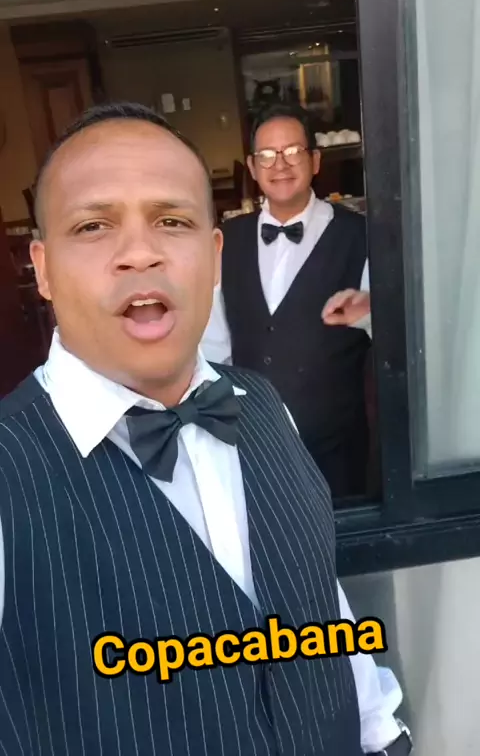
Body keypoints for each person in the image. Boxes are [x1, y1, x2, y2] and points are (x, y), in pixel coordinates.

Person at [0, 103, 411, 756]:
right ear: (43, 268)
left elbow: (319, 602)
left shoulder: (263, 407)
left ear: (214, 255)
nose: (140, 252)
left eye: (172, 221)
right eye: (93, 225)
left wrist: (382, 734)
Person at [202, 103, 372, 500]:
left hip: (336, 447)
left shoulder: (359, 235)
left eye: (293, 151)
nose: (280, 164)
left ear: (315, 161)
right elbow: (214, 341)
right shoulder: (225, 240)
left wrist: (370, 312)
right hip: (252, 444)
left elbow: (397, 332)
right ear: (252, 166)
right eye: (267, 155)